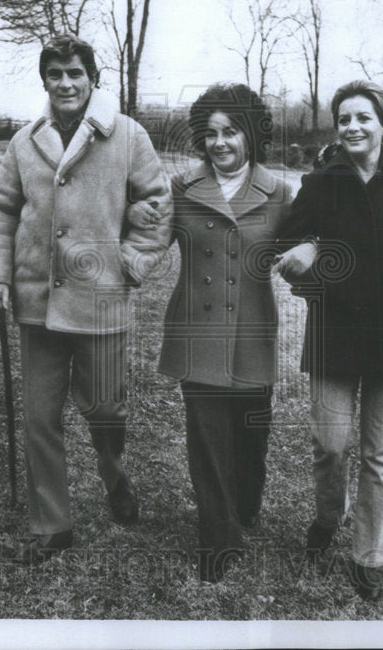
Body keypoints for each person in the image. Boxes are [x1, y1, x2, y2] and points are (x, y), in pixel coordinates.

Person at [0, 33, 172, 563]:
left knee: (105, 409)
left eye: (75, 74)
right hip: (36, 302)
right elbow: (1, 212)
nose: (65, 84)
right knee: (40, 415)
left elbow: (157, 203)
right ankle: (53, 524)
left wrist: (131, 262)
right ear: (44, 80)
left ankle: (114, 475)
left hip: (100, 299)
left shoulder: (128, 136)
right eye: (55, 75)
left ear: (93, 79)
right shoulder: (26, 141)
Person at [273, 80, 383, 601]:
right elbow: (285, 245)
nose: (352, 126)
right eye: (344, 118)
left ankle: (372, 553)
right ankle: (329, 517)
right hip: (334, 331)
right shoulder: (322, 182)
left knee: (381, 454)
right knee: (330, 445)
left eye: (363, 118)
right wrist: (308, 247)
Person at [129, 83, 293, 582]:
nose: (220, 143)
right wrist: (130, 213)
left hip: (252, 333)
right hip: (196, 330)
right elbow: (142, 227)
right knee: (206, 438)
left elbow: (310, 243)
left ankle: (243, 508)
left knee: (250, 438)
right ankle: (217, 537)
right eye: (211, 133)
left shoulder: (280, 192)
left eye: (231, 132)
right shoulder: (180, 189)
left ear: (252, 136)